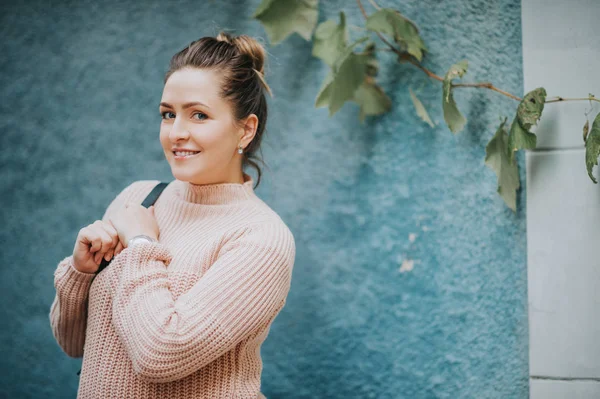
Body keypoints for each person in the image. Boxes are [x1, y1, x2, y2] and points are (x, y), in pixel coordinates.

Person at [48, 31, 295, 399]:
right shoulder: (139, 198)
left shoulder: (261, 238)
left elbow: (159, 355)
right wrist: (81, 274)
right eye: (168, 114)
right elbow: (76, 343)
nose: (177, 133)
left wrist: (142, 245)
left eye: (199, 115)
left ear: (246, 129)